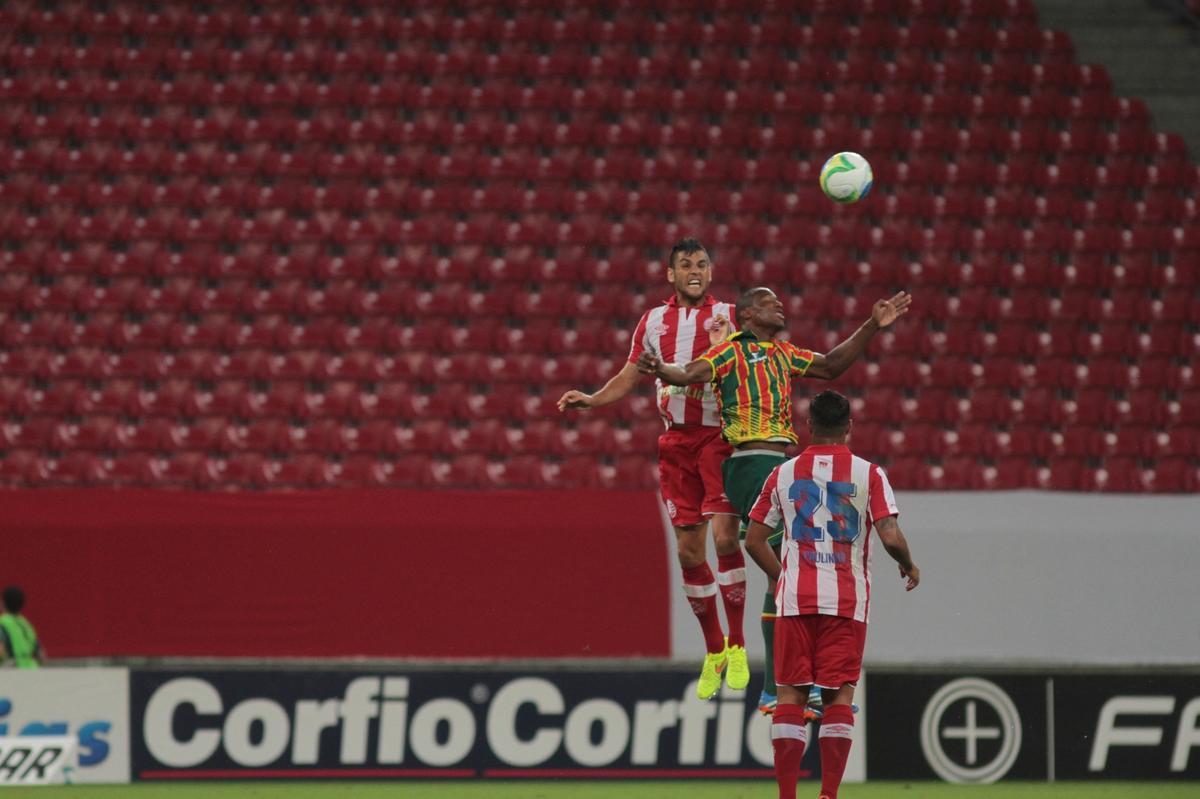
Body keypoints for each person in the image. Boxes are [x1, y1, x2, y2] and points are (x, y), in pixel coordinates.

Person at [636, 286, 911, 715]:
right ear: (747, 315)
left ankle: (775, 688)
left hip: (780, 462)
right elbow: (688, 374)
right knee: (793, 564)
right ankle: (789, 683)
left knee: (783, 576)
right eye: (768, 302)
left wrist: (872, 324)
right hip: (749, 461)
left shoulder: (783, 354)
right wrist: (661, 368)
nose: (779, 305)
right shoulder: (730, 353)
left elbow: (832, 364)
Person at [557, 238, 749, 701]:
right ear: (671, 275)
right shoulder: (653, 321)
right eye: (685, 265)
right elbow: (631, 374)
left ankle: (739, 643)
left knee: (724, 538)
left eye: (702, 263)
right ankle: (714, 650)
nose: (695, 270)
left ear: (711, 270)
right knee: (688, 552)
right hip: (676, 443)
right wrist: (593, 399)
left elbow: (742, 365)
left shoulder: (727, 315)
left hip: (719, 438)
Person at [743, 390, 919, 799]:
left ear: (808, 427)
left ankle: (787, 795)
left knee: (790, 693)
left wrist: (783, 575)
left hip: (795, 601)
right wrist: (908, 563)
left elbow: (753, 540)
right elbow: (889, 534)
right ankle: (828, 796)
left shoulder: (783, 473)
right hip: (845, 602)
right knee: (839, 694)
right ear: (849, 428)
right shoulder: (869, 473)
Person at [1, 586, 46, 668]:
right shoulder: (26, 625)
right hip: (32, 670)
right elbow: (41, 656)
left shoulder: (3, 623)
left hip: (12, 670)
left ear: (3, 603)